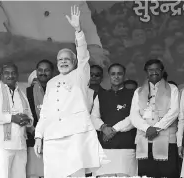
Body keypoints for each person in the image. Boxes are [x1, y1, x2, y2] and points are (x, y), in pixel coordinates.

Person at [0, 1, 109, 85]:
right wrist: (74, 53)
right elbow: (1, 50)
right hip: (10, 105)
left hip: (68, 104)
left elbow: (96, 59)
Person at [33, 6, 108, 178]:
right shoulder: (51, 83)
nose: (63, 62)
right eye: (60, 60)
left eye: (67, 59)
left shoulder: (80, 76)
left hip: (75, 136)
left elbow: (83, 55)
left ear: (74, 63)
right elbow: (45, 112)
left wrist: (78, 31)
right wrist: (39, 136)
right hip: (52, 137)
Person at [130, 59, 180, 178]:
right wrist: (147, 128)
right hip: (144, 139)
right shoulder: (139, 91)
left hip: (167, 140)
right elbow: (134, 115)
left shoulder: (172, 88)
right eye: (150, 69)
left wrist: (156, 128)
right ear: (146, 72)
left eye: (157, 69)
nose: (154, 72)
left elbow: (174, 111)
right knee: (147, 174)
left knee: (167, 173)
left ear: (162, 71)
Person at [0, 63, 34, 178]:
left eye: (13, 73)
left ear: (17, 75)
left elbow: (30, 115)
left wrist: (27, 120)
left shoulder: (21, 93)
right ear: (1, 75)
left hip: (20, 143)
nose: (10, 76)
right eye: (6, 73)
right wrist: (12, 118)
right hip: (1, 144)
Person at [91, 63, 138, 177]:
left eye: (119, 74)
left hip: (126, 148)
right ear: (109, 76)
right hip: (104, 148)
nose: (116, 77)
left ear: (124, 75)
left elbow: (134, 118)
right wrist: (103, 128)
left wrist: (113, 130)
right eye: (113, 74)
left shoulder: (134, 94)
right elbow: (93, 117)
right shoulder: (101, 95)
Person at [26, 59, 54, 178]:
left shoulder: (58, 90)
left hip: (54, 139)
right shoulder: (28, 92)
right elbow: (26, 115)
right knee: (35, 173)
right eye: (40, 70)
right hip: (34, 139)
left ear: (52, 72)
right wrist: (35, 133)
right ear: (36, 72)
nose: (43, 73)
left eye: (46, 70)